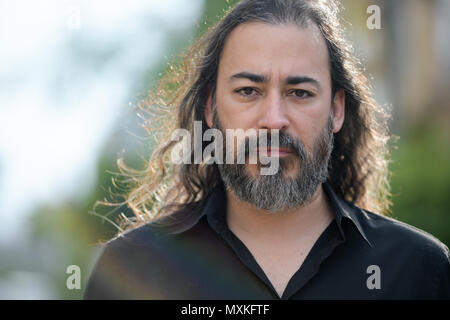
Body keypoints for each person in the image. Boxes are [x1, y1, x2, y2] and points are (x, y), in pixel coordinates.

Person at [84, 0, 450, 299]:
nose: (274, 120)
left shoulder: (419, 270)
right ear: (211, 108)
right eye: (248, 91)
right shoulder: (133, 267)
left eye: (300, 93)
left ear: (336, 110)